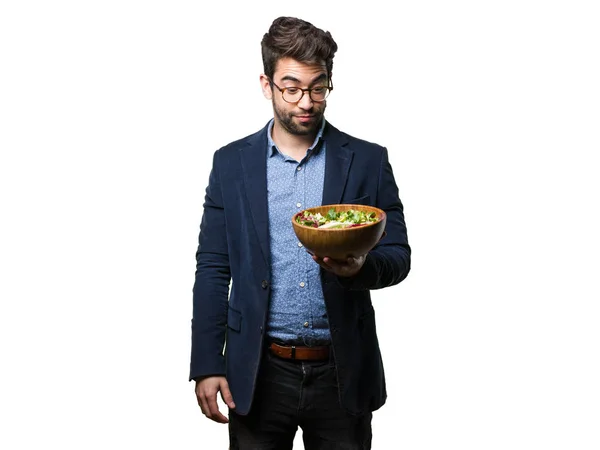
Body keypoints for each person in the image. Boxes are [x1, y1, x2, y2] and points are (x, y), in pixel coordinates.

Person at [190, 16, 411, 449]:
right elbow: (214, 268)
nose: (306, 102)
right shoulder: (230, 164)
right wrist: (206, 361)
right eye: (291, 88)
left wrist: (359, 269)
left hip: (341, 370)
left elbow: (399, 255)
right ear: (266, 83)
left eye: (318, 88)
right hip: (257, 371)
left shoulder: (367, 160)